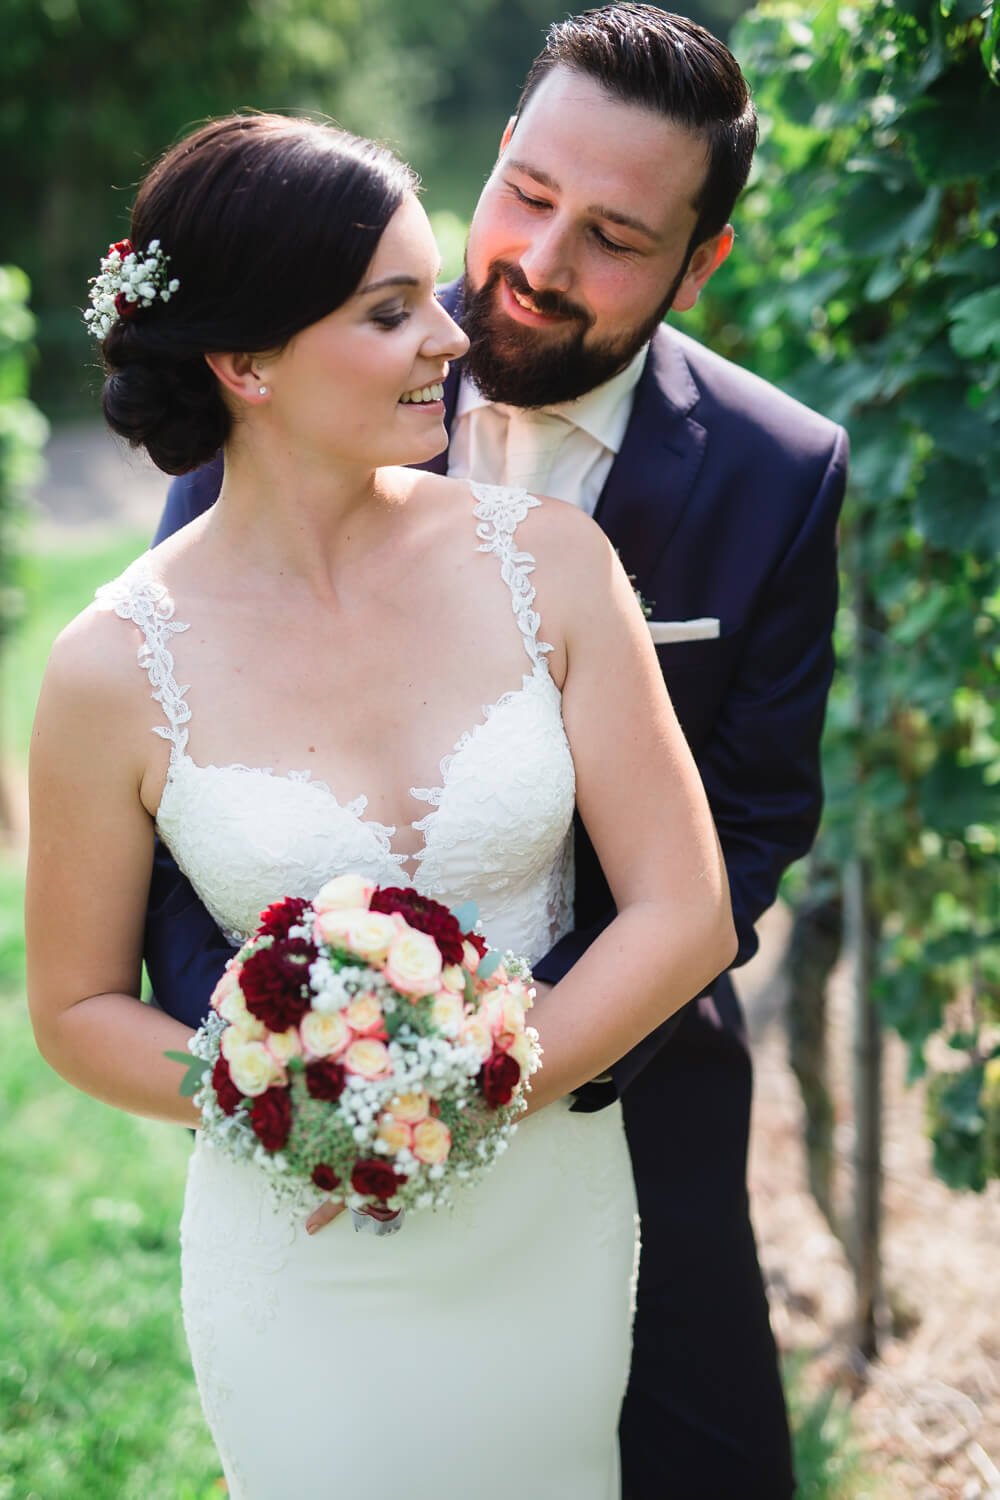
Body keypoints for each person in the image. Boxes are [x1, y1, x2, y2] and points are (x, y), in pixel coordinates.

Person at [156, 9, 848, 1498]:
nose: (537, 260)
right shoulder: (292, 383)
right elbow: (176, 766)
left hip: (635, 1097)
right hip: (314, 1126)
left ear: (700, 258)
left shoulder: (778, 473)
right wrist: (298, 1070)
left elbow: (756, 819)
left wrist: (506, 1058)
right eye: (525, 191)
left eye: (612, 234)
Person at [26, 112, 735, 1498]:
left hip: (548, 1227)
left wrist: (472, 1089)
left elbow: (687, 908)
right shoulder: (112, 667)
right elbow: (72, 1010)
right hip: (298, 1254)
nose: (452, 339)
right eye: (390, 310)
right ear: (245, 364)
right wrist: (287, 1089)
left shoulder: (553, 565)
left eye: (433, 295)